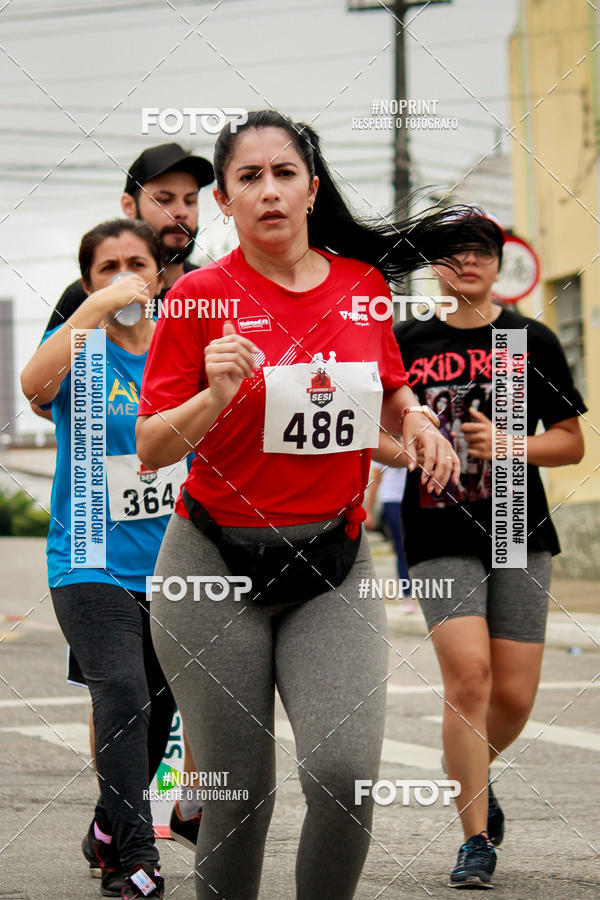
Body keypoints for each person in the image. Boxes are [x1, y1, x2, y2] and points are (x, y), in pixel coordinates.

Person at [135, 109, 497, 899]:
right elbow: (152, 446)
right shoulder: (198, 298)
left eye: (284, 173)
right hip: (212, 570)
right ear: (225, 203)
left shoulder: (364, 289)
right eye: (248, 178)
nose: (269, 191)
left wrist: (419, 424)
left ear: (312, 189)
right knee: (241, 796)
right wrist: (214, 394)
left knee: (344, 777)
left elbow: (387, 396)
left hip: (332, 565)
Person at [394, 214, 586, 889]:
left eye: (480, 252)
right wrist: (415, 447)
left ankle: (472, 777)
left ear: (499, 263)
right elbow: (378, 433)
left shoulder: (528, 338)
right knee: (469, 678)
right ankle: (475, 839)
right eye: (451, 254)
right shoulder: (406, 341)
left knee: (513, 693)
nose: (466, 262)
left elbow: (571, 440)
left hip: (516, 525)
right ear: (434, 266)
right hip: (437, 527)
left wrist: (511, 446)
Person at [20, 219, 187, 899]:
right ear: (86, 281)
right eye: (106, 267)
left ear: (158, 274)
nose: (123, 275)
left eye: (136, 264)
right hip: (88, 559)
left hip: (174, 560)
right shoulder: (79, 348)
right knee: (119, 695)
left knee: (162, 708)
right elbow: (32, 385)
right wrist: (93, 308)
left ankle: (103, 827)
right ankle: (134, 859)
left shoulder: (179, 348)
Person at [43, 142, 214, 332]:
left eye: (190, 201)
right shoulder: (91, 297)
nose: (181, 212)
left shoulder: (214, 292)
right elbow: (89, 362)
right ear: (129, 206)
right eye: (164, 200)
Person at [364, 460, 415, 612]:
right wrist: (368, 511)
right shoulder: (386, 441)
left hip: (413, 500)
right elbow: (376, 479)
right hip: (392, 500)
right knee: (401, 549)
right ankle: (407, 594)